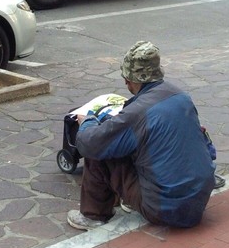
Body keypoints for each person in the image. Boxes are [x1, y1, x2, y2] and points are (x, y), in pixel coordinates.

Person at [67, 41, 216, 230]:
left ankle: (93, 215)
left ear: (133, 79)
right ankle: (130, 200)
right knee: (138, 145)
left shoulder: (138, 113)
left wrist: (87, 122)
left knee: (99, 147)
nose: (125, 82)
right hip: (198, 200)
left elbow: (91, 144)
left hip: (165, 208)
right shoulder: (181, 97)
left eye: (126, 77)